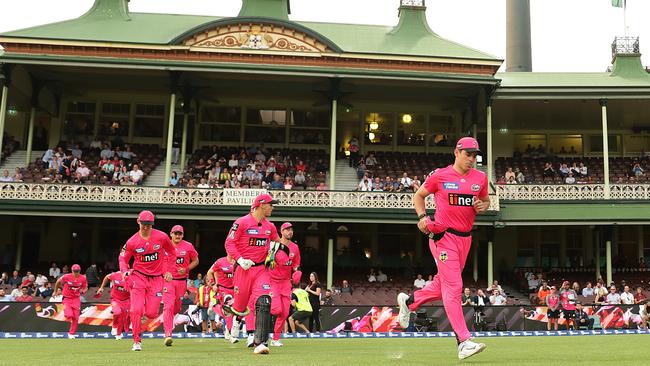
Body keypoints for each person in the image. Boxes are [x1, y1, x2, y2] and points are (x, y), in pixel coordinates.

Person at [397, 136, 489, 360]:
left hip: (465, 238)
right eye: (468, 154)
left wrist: (482, 206)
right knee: (454, 286)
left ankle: (409, 302)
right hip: (443, 235)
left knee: (442, 286)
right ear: (456, 153)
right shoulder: (440, 175)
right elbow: (419, 196)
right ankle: (463, 341)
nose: (471, 159)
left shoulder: (481, 178)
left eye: (474, 155)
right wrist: (422, 217)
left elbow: (485, 201)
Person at [223, 193, 280, 355]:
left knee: (263, 301)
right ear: (262, 205)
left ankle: (259, 342)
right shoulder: (241, 223)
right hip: (243, 270)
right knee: (241, 307)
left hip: (262, 269)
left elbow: (275, 242)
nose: (272, 208)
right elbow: (229, 243)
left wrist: (274, 252)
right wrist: (240, 260)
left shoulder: (270, 227)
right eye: (270, 204)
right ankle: (236, 318)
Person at [119, 210, 176, 352]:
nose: (146, 227)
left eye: (149, 225)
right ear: (138, 222)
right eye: (143, 224)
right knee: (136, 309)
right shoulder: (132, 242)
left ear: (152, 224)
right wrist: (125, 272)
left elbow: (172, 252)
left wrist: (169, 270)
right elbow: (123, 259)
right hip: (138, 276)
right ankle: (136, 341)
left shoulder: (162, 237)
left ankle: (141, 319)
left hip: (157, 279)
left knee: (151, 313)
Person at [162, 225, 199, 347]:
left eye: (180, 234)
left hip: (182, 281)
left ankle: (176, 316)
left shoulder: (188, 246)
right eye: (175, 233)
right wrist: (164, 273)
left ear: (182, 235)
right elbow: (158, 262)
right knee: (168, 306)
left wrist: (186, 268)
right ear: (171, 234)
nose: (178, 236)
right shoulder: (164, 246)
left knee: (176, 307)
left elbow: (196, 260)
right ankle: (168, 334)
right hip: (168, 281)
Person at [267, 222, 302, 347]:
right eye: (287, 230)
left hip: (286, 283)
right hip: (273, 281)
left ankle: (275, 339)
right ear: (281, 232)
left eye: (291, 229)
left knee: (285, 312)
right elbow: (267, 262)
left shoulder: (295, 247)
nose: (290, 232)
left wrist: (297, 272)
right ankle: (261, 331)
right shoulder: (274, 246)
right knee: (276, 309)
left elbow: (296, 264)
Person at [53, 264, 88, 338]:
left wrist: (83, 291)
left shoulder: (83, 278)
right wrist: (55, 291)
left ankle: (71, 334)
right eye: (75, 271)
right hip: (67, 298)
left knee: (76, 318)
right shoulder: (66, 276)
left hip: (76, 299)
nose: (76, 272)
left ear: (79, 271)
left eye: (77, 271)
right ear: (72, 271)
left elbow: (85, 288)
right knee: (69, 315)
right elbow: (58, 282)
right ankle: (66, 312)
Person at [207, 255, 236, 343]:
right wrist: (213, 284)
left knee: (235, 311)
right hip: (223, 289)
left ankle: (217, 308)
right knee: (229, 308)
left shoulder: (240, 260)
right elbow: (210, 272)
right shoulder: (220, 261)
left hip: (235, 289)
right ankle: (230, 333)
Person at [96, 269, 131, 339]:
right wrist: (101, 287)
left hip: (126, 300)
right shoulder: (115, 275)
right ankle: (114, 326)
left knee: (123, 317)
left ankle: (118, 334)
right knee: (117, 312)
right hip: (115, 299)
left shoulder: (132, 277)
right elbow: (107, 277)